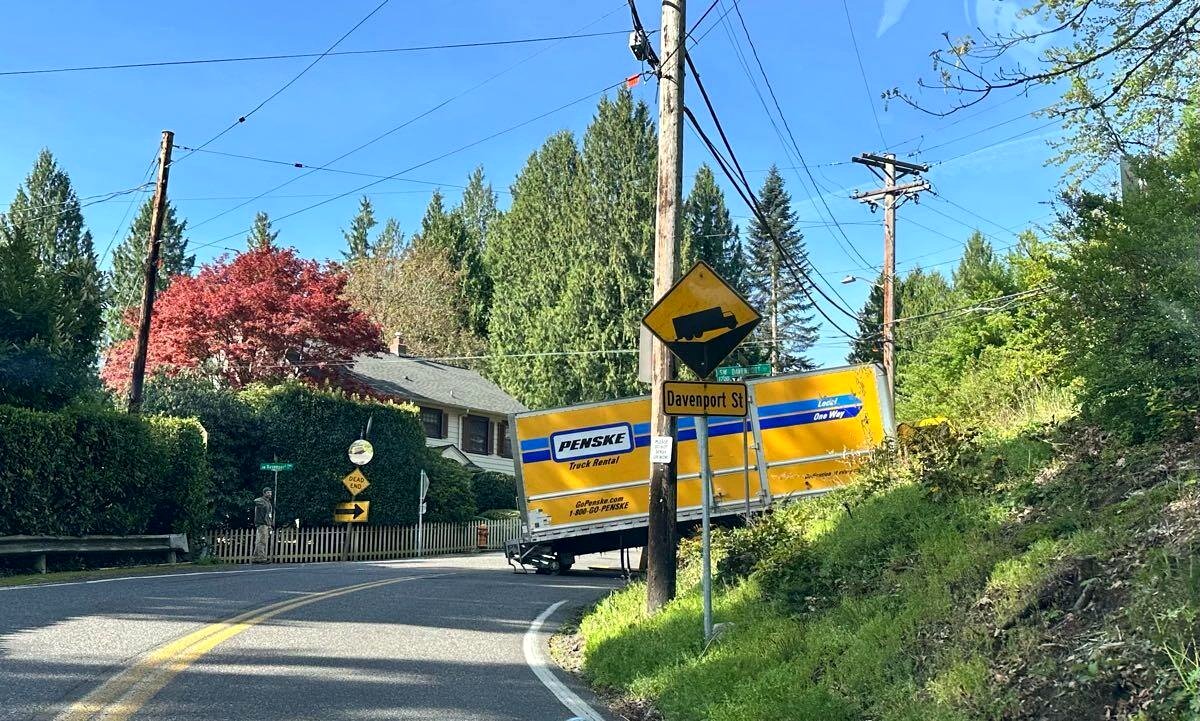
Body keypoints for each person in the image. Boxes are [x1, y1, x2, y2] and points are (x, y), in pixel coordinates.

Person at [252, 488, 274, 562]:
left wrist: (270, 525)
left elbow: (269, 515)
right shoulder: (261, 500)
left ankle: (255, 558)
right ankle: (261, 558)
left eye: (270, 493)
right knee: (262, 541)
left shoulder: (268, 503)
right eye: (268, 492)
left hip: (266, 524)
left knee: (259, 541)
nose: (270, 494)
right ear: (264, 493)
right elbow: (255, 501)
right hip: (262, 523)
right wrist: (263, 505)